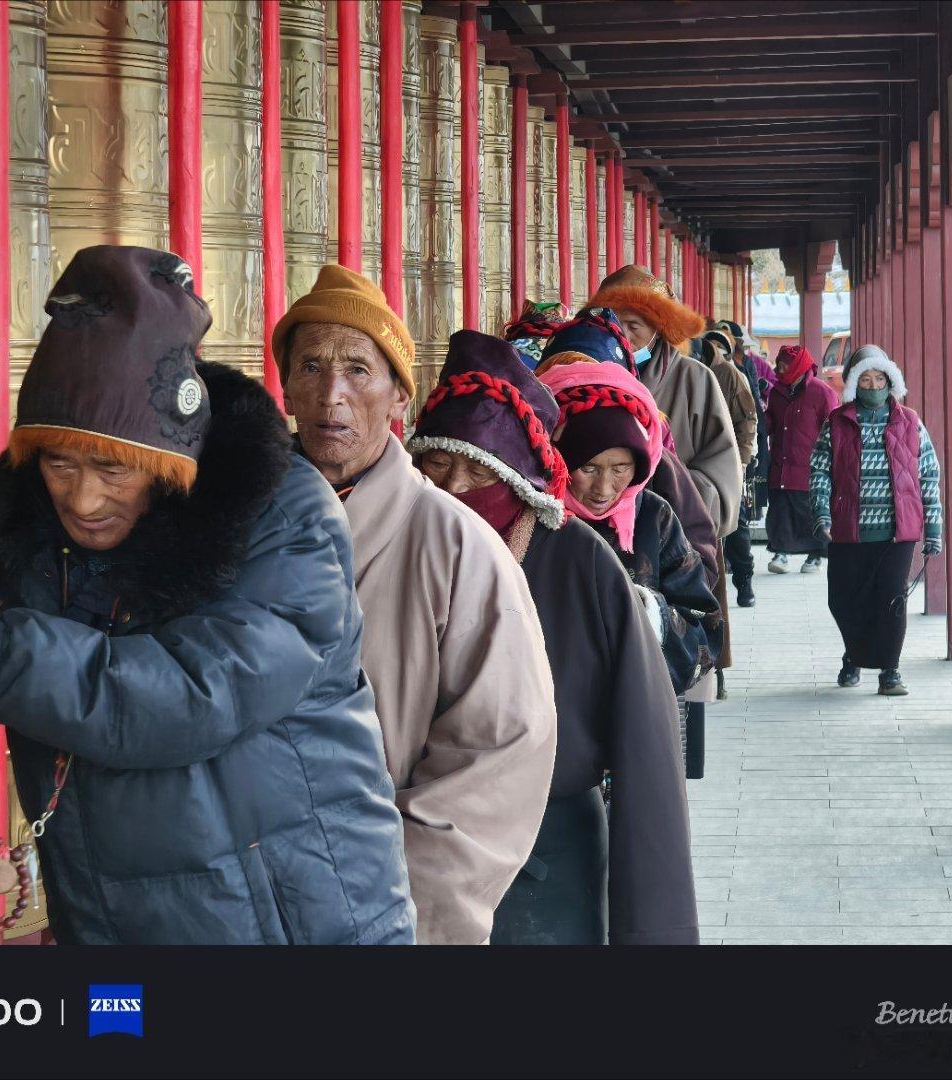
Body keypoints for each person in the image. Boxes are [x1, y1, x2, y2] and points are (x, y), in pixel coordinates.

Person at [0, 246, 415, 945]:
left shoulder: (280, 514)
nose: (84, 497)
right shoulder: (22, 519)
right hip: (112, 933)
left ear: (171, 463)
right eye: (60, 464)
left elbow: (195, 694)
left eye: (113, 470)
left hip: (300, 928)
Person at [275, 266, 558, 945]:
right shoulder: (234, 525)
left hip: (384, 899)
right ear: (284, 386)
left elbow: (500, 748)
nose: (331, 395)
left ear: (400, 395)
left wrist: (402, 901)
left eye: (357, 371)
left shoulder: (456, 544)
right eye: (310, 366)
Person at [409, 331, 698, 946]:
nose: (457, 489)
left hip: (549, 851)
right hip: (406, 843)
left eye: (480, 469)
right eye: (438, 464)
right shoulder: (393, 541)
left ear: (516, 475)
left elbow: (644, 738)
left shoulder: (578, 559)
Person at [541, 359, 720, 700]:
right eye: (588, 468)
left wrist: (651, 614)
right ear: (558, 460)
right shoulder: (534, 519)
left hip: (633, 708)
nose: (604, 489)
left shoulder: (654, 518)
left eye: (620, 468)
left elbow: (706, 629)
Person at [810, 345, 943, 695]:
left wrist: (934, 529)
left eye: (879, 378)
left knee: (891, 599)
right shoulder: (837, 422)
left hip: (897, 532)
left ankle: (890, 670)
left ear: (890, 380)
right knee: (843, 599)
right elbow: (820, 471)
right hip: (848, 529)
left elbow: (928, 475)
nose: (873, 385)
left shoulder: (909, 421)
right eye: (865, 379)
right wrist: (821, 511)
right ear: (855, 383)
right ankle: (854, 655)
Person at [590, 266, 743, 541]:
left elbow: (723, 474)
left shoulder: (695, 379)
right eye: (612, 322)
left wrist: (666, 499)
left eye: (633, 325)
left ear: (657, 331)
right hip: (601, 535)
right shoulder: (587, 375)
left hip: (681, 540)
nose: (621, 334)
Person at [766, 344, 838, 574]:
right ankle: (781, 552)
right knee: (780, 512)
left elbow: (833, 429)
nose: (779, 367)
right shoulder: (777, 392)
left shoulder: (822, 392)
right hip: (780, 465)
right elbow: (770, 423)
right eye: (779, 362)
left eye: (784, 363)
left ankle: (815, 555)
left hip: (808, 468)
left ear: (797, 365)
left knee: (808, 513)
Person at [710, 325, 763, 609]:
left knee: (737, 523)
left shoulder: (730, 375)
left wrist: (742, 461)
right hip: (698, 463)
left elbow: (748, 420)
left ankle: (744, 579)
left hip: (729, 461)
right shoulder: (691, 370)